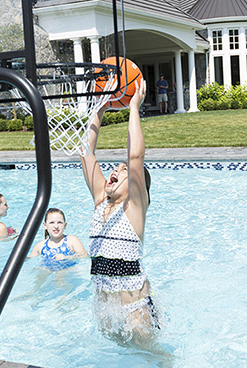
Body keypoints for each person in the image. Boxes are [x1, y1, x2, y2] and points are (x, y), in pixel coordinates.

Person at [80, 79, 158, 342]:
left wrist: (133, 107)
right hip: (105, 307)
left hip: (134, 309)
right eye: (116, 167)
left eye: (123, 171)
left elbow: (136, 157)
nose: (116, 169)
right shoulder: (101, 200)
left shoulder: (135, 208)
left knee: (151, 359)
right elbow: (85, 151)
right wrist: (99, 109)